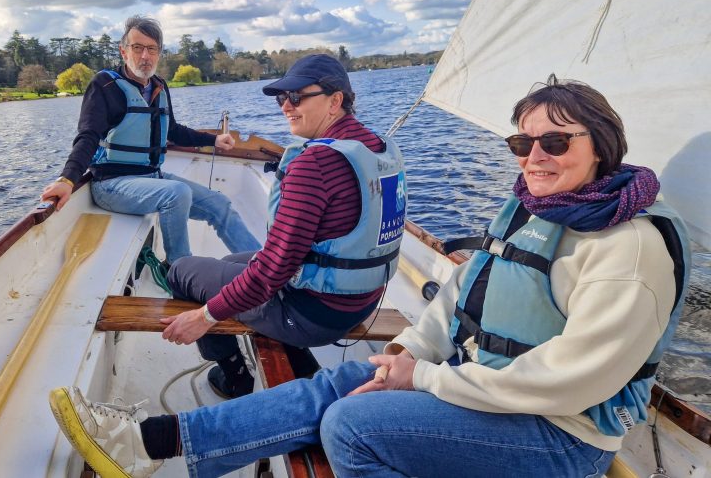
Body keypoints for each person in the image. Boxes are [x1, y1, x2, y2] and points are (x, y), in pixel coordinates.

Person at [48, 76, 691, 477]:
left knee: (350, 427)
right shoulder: (540, 209)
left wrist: (430, 377)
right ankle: (146, 443)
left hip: (559, 439)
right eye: (522, 145)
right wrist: (408, 352)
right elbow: (461, 298)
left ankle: (157, 443)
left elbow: (572, 380)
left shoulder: (629, 250)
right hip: (492, 389)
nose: (534, 159)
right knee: (353, 378)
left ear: (602, 145)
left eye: (556, 143)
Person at [161, 54, 407, 398]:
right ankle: (294, 360)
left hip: (315, 315)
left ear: (335, 100)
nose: (285, 107)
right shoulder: (375, 146)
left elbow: (270, 274)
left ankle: (233, 376)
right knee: (231, 265)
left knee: (183, 271)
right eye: (281, 98)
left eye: (296, 97)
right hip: (362, 302)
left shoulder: (315, 163)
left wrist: (204, 317)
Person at [40, 16, 259, 265]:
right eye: (137, 47)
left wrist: (214, 140)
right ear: (124, 52)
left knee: (220, 204)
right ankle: (180, 271)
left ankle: (265, 270)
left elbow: (172, 130)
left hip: (152, 177)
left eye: (152, 49)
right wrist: (68, 179)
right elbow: (88, 136)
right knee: (176, 193)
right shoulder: (105, 85)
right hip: (112, 184)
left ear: (159, 53)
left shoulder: (159, 85)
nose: (145, 56)